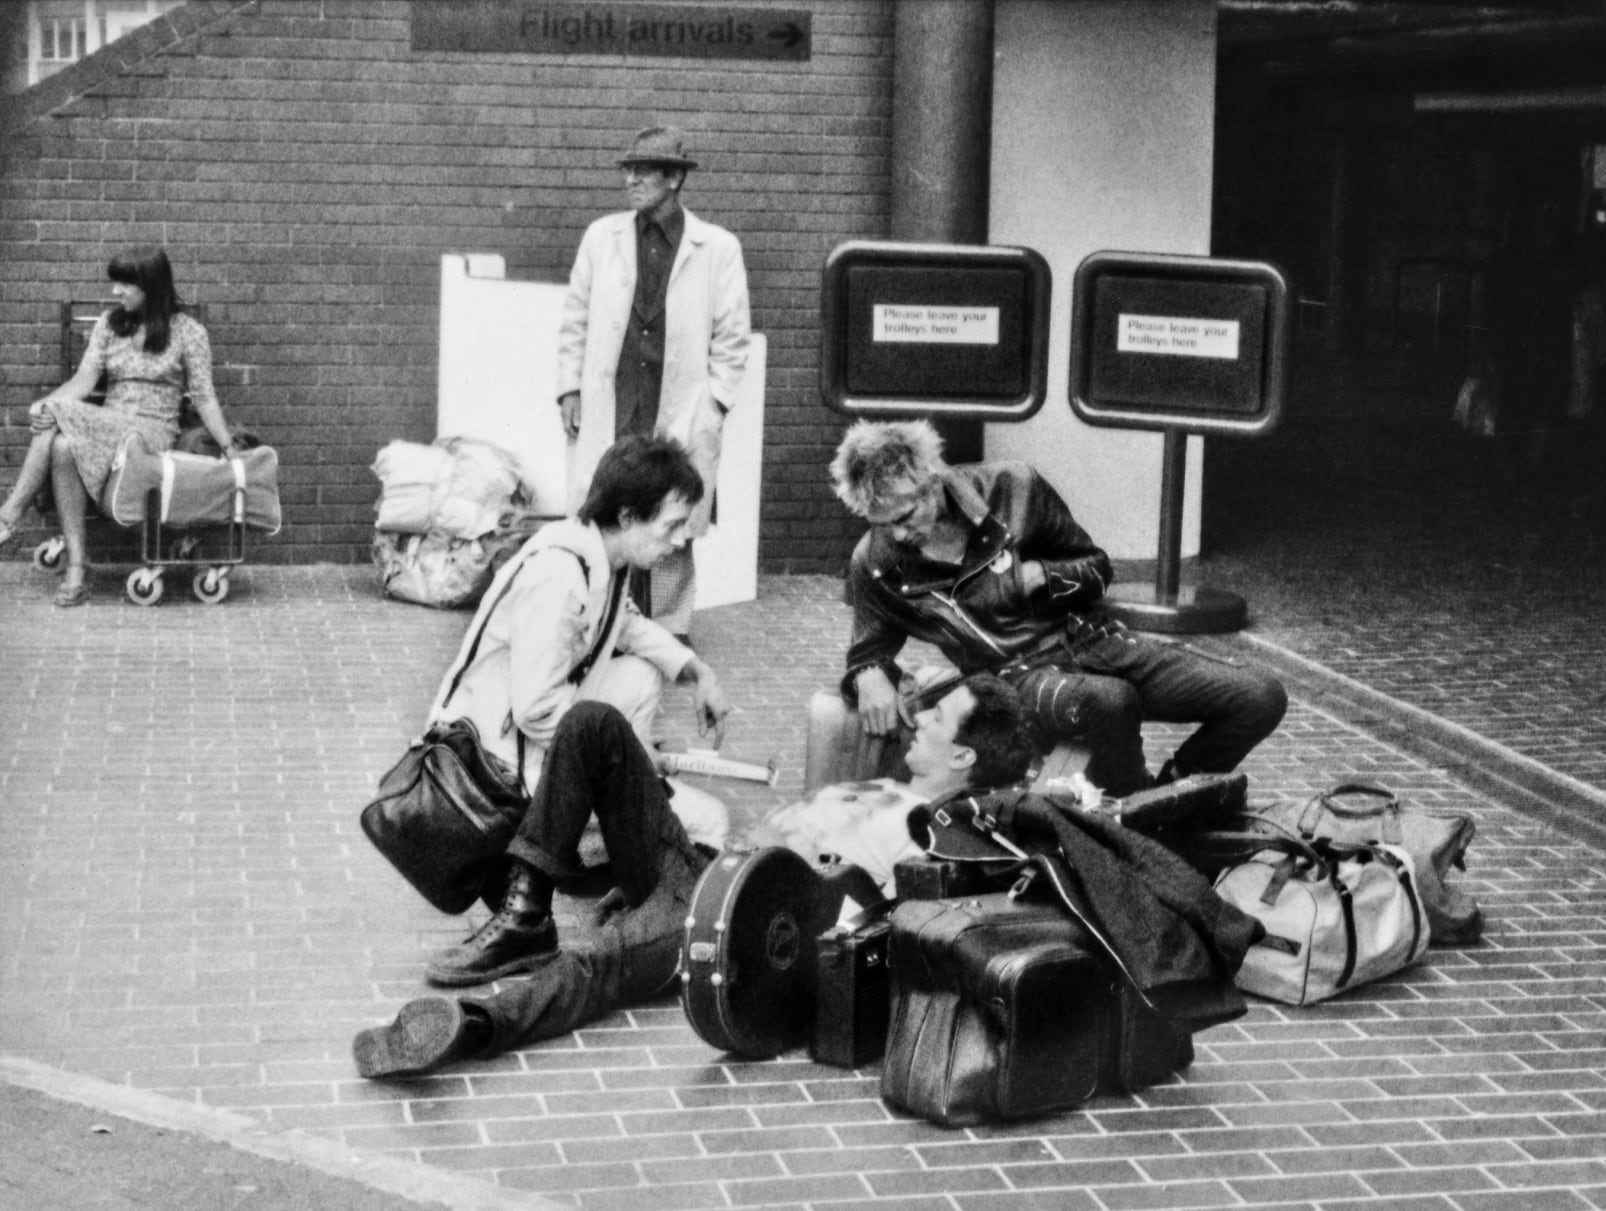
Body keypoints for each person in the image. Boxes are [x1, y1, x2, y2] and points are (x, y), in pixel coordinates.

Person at [351, 674, 1035, 1080]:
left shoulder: (932, 834)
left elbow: (895, 919)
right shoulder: (887, 782)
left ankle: (473, 1023)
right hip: (706, 870)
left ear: (966, 753)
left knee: (600, 965)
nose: (919, 716)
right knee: (594, 724)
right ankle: (527, 911)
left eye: (939, 718)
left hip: (742, 923)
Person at [422, 432, 733, 989]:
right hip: (489, 762)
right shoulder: (559, 571)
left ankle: (609, 829)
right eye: (671, 525)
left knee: (638, 676)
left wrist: (696, 671)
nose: (679, 540)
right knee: (702, 818)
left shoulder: (600, 554)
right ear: (629, 515)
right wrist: (635, 760)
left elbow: (628, 625)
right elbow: (541, 709)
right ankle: (528, 907)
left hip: (520, 737)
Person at [829, 420, 1288, 797]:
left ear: (933, 481)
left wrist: (1041, 577)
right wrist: (867, 673)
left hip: (1095, 639)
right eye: (882, 524)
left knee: (1259, 696)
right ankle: (1139, 814)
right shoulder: (875, 563)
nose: (900, 534)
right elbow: (866, 651)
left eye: (906, 517)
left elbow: (1097, 568)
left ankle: (1169, 796)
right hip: (1015, 678)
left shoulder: (1016, 488)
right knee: (1109, 700)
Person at [556, 125, 752, 641]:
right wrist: (569, 389)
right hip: (614, 404)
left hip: (679, 410)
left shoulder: (718, 249)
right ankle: (596, 620)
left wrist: (712, 405)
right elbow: (575, 318)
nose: (631, 179)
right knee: (605, 512)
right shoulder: (603, 237)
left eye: (643, 170)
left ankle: (668, 628)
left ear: (674, 179)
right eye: (628, 169)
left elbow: (733, 339)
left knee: (672, 521)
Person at [0, 248, 237, 606]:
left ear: (150, 286)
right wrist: (51, 403)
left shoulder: (190, 332)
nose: (116, 292)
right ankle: (78, 567)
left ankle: (8, 517)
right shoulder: (110, 326)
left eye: (124, 284)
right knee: (63, 447)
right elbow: (84, 380)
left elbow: (204, 398)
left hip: (152, 435)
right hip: (108, 429)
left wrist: (230, 447)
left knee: (57, 415)